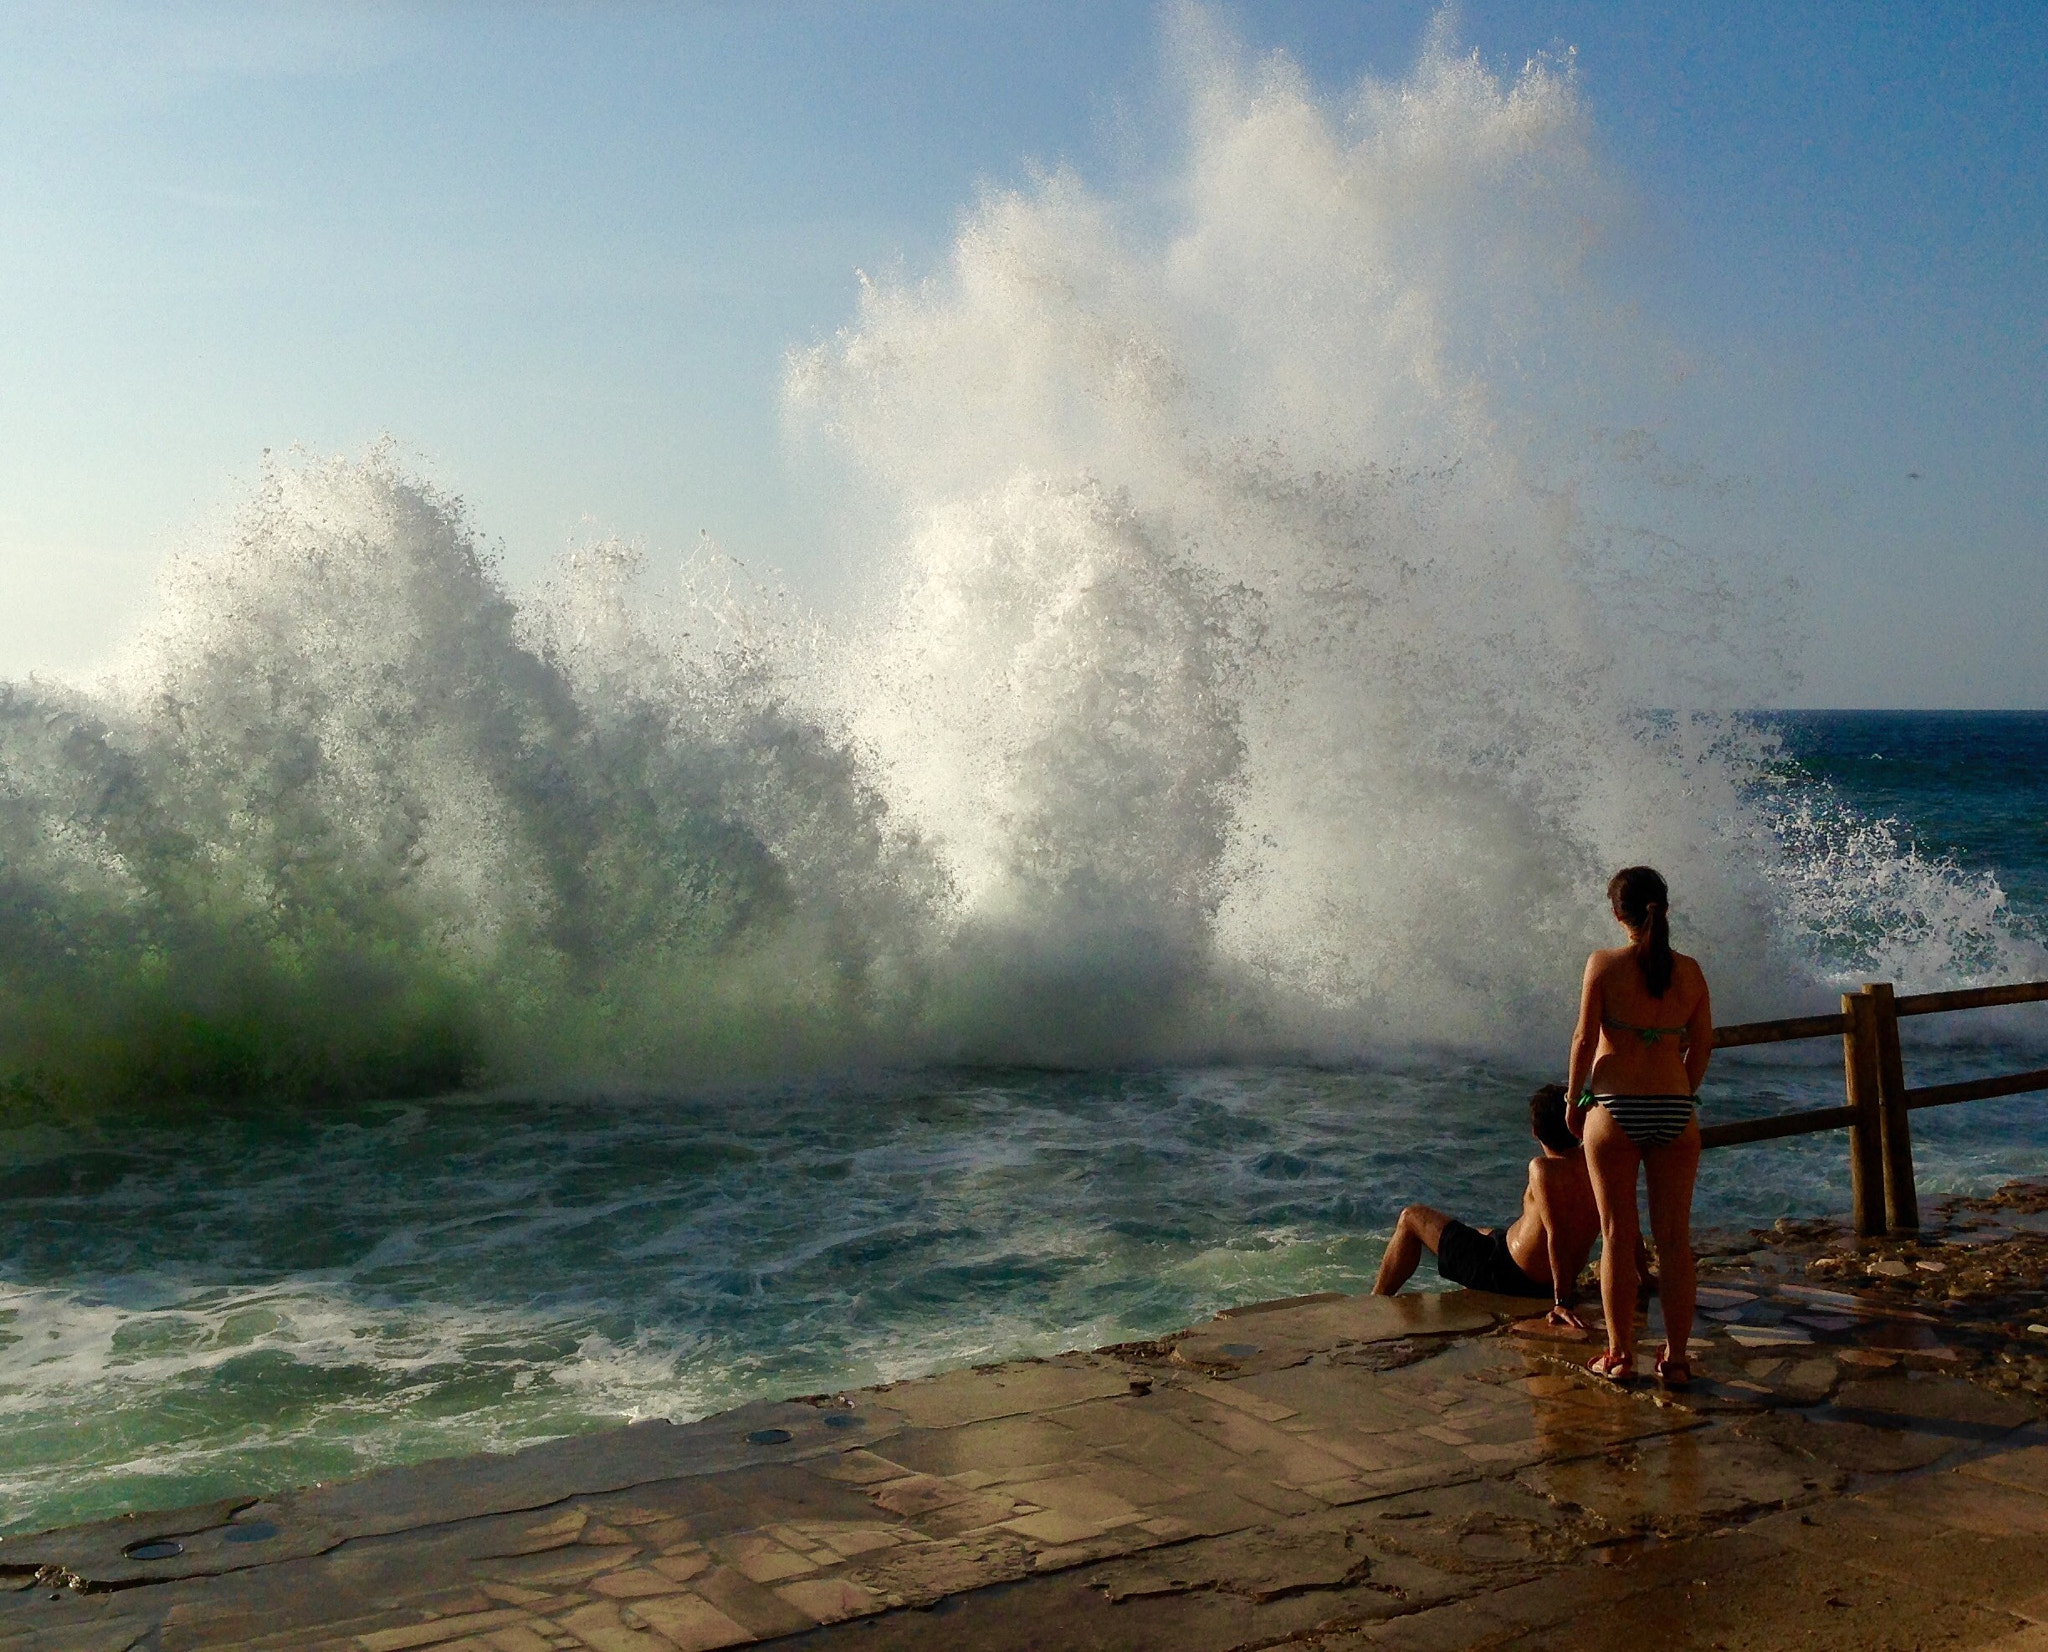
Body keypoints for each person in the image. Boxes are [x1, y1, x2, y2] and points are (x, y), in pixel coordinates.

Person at [1566, 864, 1713, 1386]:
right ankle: (1675, 1360)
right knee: (1675, 1240)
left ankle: (1619, 1353)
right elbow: (1703, 1044)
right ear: (1664, 908)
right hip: (1675, 1109)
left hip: (1615, 1107)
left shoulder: (1604, 964)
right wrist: (1682, 1090)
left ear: (1617, 913)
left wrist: (1572, 1100)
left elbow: (1585, 1041)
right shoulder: (1691, 972)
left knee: (1616, 1233)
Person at [1373, 1084, 1607, 1326]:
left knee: (1411, 1217)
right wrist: (1642, 1275)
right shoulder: (1594, 1163)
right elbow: (1618, 1220)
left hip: (1508, 1275)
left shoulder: (1543, 1169)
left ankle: (1373, 1303)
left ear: (1535, 1132)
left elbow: (1555, 1235)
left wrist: (1561, 1302)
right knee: (1480, 1233)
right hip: (1522, 1264)